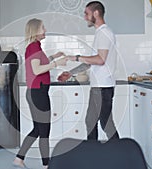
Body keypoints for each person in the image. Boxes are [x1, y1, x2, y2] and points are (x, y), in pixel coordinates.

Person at [58, 1, 120, 141]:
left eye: (87, 13)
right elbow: (92, 62)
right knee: (92, 122)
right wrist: (71, 73)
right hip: (99, 87)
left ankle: (119, 154)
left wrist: (75, 57)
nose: (85, 17)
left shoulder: (104, 33)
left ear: (96, 13)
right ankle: (94, 153)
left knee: (104, 123)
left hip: (103, 87)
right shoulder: (100, 33)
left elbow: (100, 60)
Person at [13, 18, 67, 169]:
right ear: (35, 30)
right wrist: (57, 63)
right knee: (44, 130)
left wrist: (53, 57)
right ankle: (46, 165)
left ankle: (19, 158)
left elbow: (38, 63)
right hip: (38, 93)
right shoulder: (34, 47)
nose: (45, 29)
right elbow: (37, 70)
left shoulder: (35, 47)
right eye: (43, 27)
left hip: (36, 92)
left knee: (38, 128)